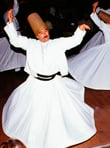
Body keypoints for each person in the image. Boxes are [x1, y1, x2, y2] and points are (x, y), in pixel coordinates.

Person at [2, 9, 96, 148]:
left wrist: (80, 30)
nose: (44, 34)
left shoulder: (57, 44)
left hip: (53, 83)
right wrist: (10, 24)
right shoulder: (30, 44)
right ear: (36, 35)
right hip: (35, 84)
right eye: (40, 33)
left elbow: (73, 41)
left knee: (56, 112)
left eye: (45, 31)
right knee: (35, 112)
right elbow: (15, 40)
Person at [0, 0, 26, 72]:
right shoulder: (8, 13)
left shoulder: (7, 13)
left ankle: (18, 67)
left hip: (16, 33)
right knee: (18, 49)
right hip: (15, 33)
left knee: (18, 51)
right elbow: (16, 9)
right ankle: (17, 68)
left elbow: (16, 9)